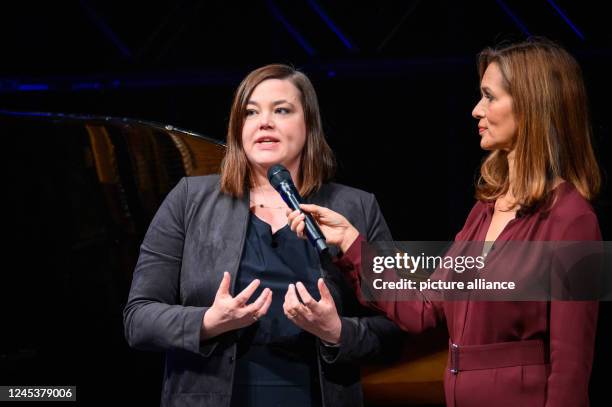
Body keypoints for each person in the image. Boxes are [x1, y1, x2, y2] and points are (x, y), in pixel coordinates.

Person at [288, 39, 602, 406]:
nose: (475, 110)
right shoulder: (484, 211)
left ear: (532, 105)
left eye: (489, 97)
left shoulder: (573, 220)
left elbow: (571, 368)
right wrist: (352, 243)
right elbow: (423, 308)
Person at [123, 64, 402, 407]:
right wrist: (209, 321)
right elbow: (138, 320)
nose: (264, 122)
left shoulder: (356, 207)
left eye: (281, 110)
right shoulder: (189, 199)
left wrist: (336, 332)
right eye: (250, 112)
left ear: (309, 124)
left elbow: (394, 331)